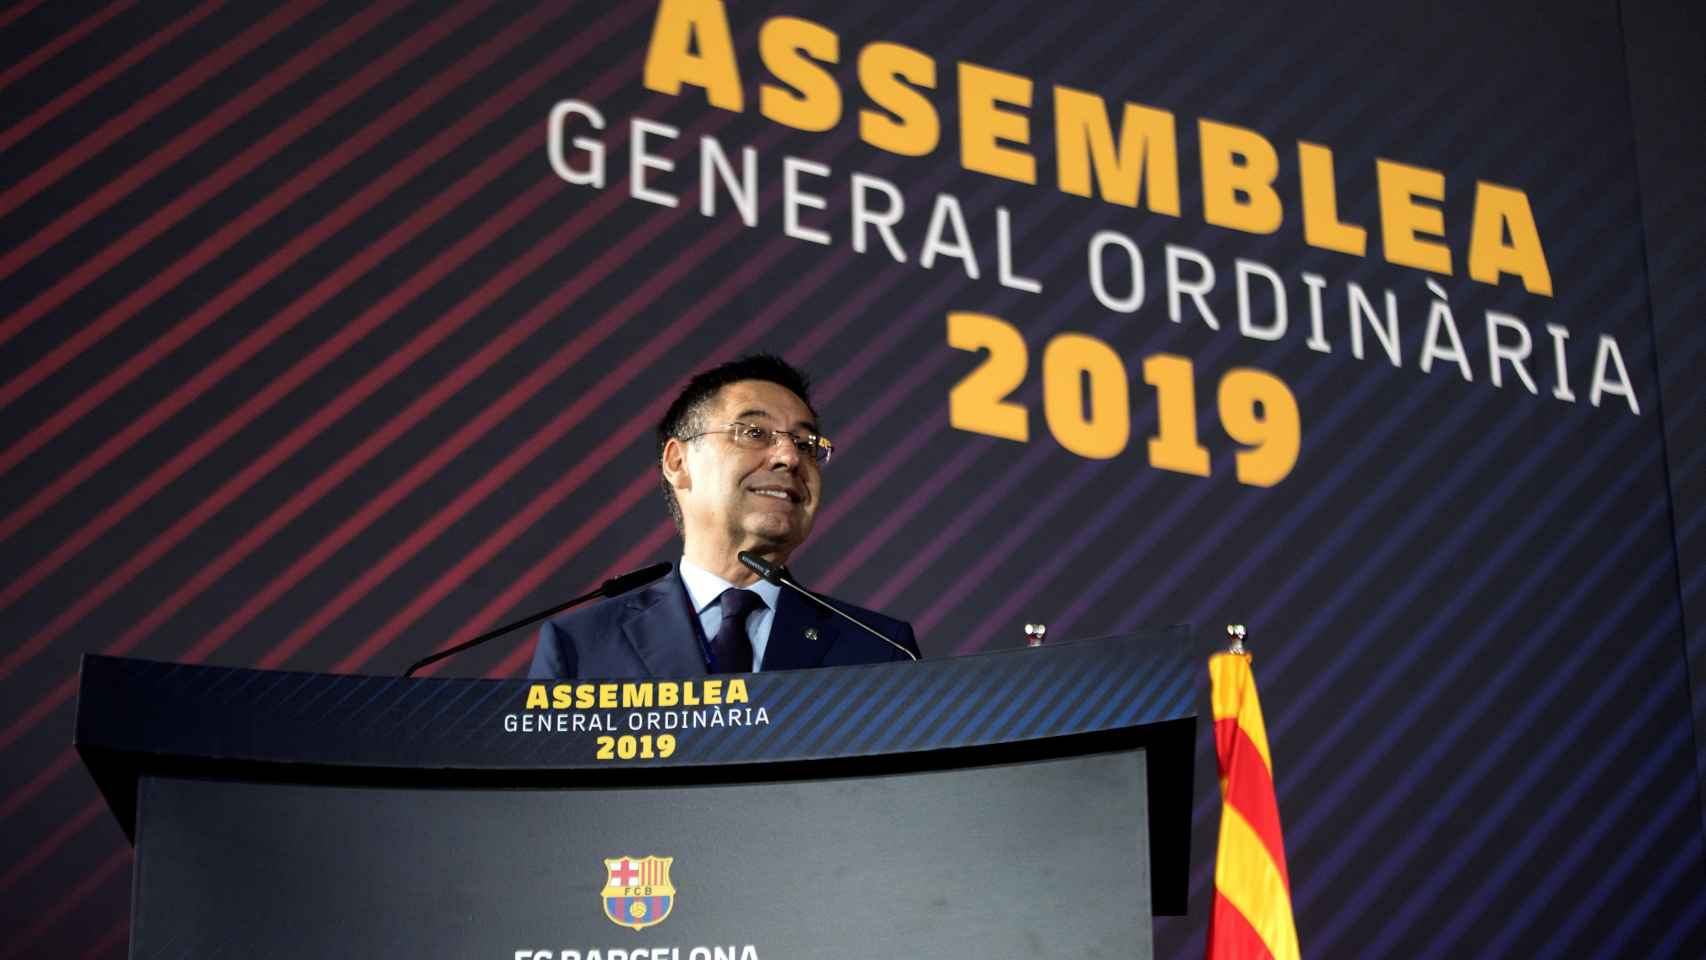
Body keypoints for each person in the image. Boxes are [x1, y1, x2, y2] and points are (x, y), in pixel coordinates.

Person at [529, 354, 919, 678]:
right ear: (678, 461)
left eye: (805, 443)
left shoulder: (878, 650)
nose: (790, 457)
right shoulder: (581, 647)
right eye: (754, 433)